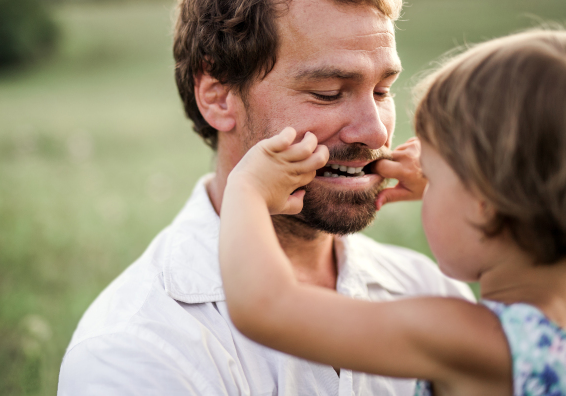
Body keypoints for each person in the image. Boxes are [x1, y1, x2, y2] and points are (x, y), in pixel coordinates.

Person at [57, 0, 473, 394]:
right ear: (218, 97)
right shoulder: (134, 350)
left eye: (383, 91)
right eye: (327, 92)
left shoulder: (429, 289)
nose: (377, 132)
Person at [219, 30, 566, 396]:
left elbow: (268, 308)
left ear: (485, 203)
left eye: (430, 176)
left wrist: (248, 189)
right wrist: (451, 185)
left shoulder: (468, 337)